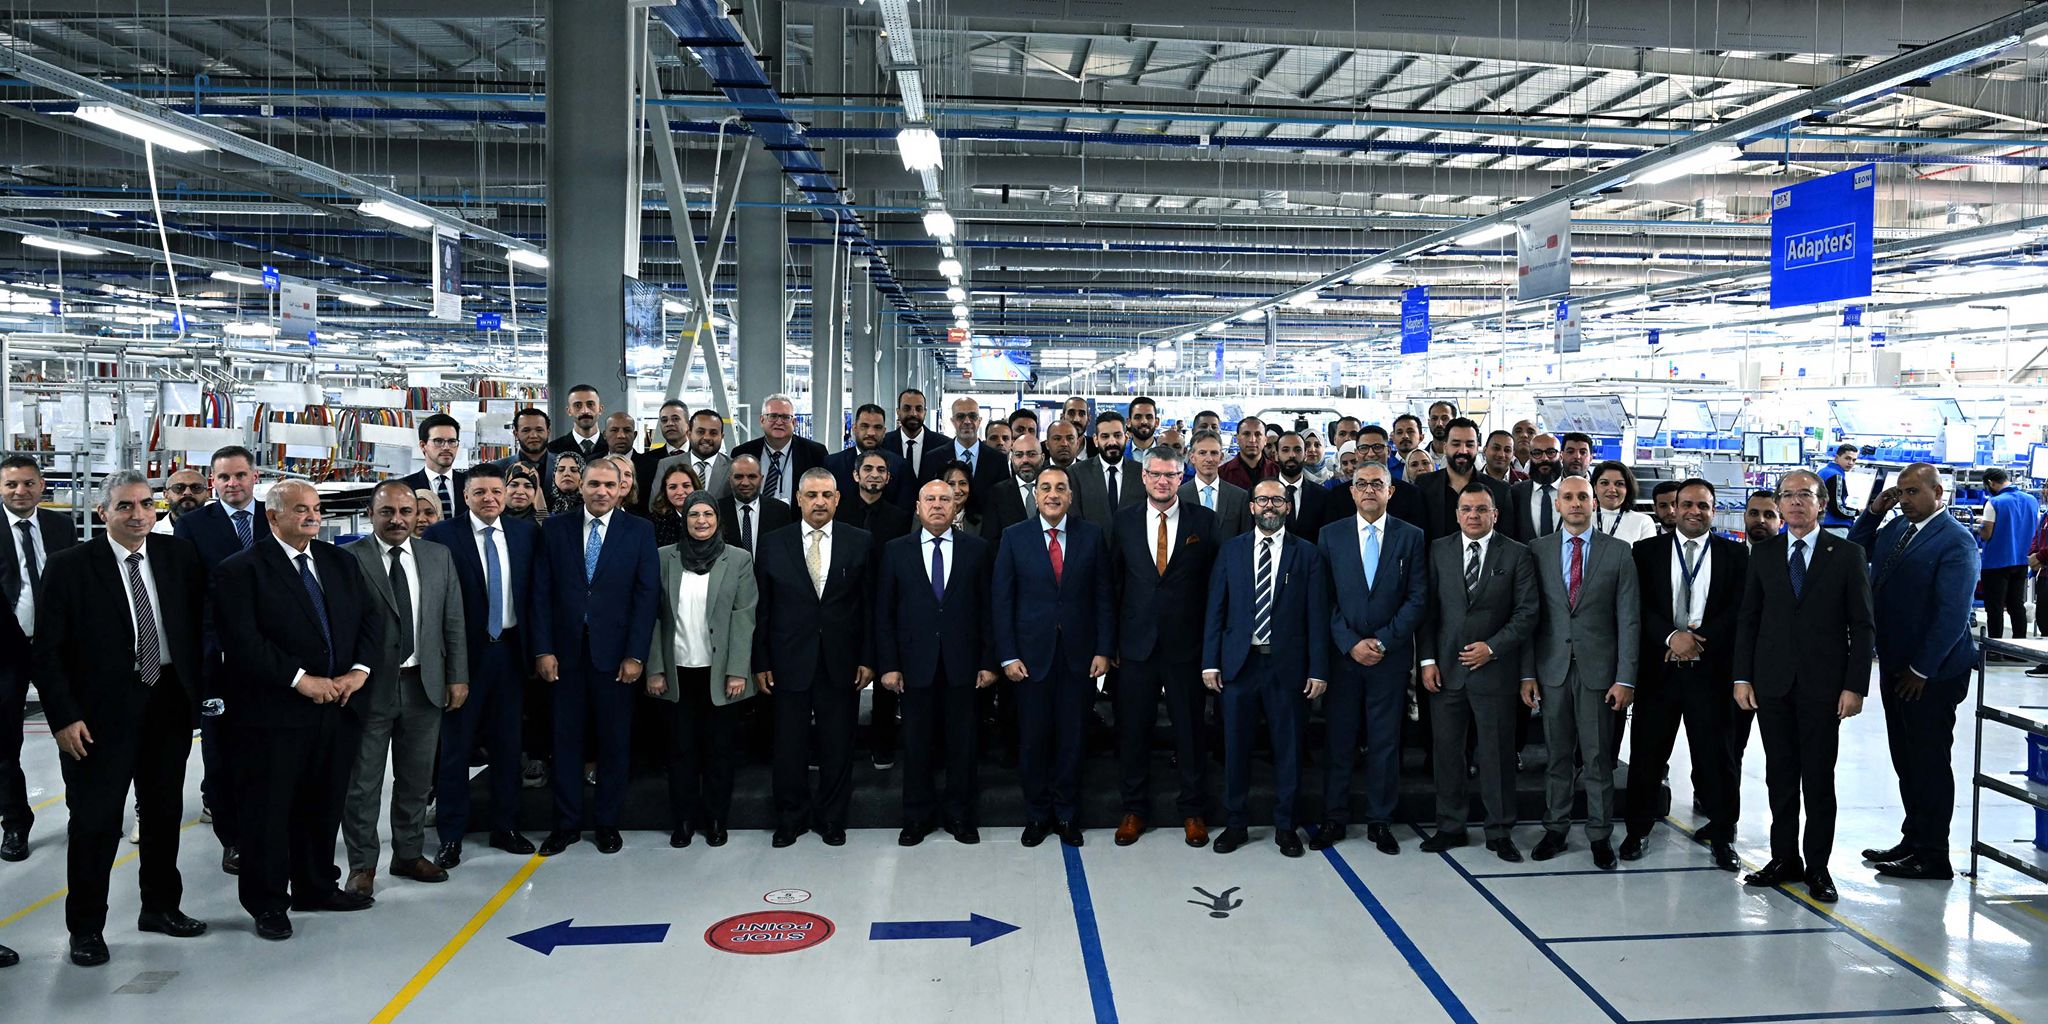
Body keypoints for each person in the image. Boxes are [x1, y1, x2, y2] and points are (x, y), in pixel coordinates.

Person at [32, 471, 207, 966]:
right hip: (97, 714)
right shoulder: (70, 566)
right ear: (102, 512)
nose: (138, 514)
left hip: (167, 701)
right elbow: (47, 652)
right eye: (125, 506)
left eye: (146, 504)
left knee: (163, 812)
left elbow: (198, 629)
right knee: (96, 822)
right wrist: (64, 718)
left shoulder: (178, 556)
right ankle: (86, 928)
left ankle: (161, 907)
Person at [216, 480, 382, 940]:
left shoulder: (339, 562)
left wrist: (359, 672)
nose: (312, 516)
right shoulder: (241, 570)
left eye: (315, 508)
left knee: (322, 803)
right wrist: (300, 680)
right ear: (273, 516)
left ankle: (316, 885)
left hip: (337, 706)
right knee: (268, 812)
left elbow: (369, 620)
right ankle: (268, 902)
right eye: (300, 509)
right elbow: (243, 641)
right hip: (274, 714)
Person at [1732, 468, 1873, 904]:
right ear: (1779, 503)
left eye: (1805, 495)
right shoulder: (1764, 553)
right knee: (1779, 777)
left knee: (1817, 779)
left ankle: (1818, 866)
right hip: (1772, 684)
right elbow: (1749, 619)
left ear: (1821, 504)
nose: (1795, 502)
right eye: (1788, 495)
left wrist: (1855, 686)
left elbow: (1862, 626)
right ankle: (1783, 859)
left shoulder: (1846, 554)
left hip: (1823, 688)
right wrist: (1742, 676)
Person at [1849, 464, 1978, 881]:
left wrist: (1922, 669)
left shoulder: (1955, 541)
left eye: (1913, 492)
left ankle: (1934, 854)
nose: (1904, 500)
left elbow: (1952, 615)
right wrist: (1874, 512)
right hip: (1896, 663)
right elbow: (1855, 551)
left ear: (1938, 492)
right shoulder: (1898, 528)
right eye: (1900, 492)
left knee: (1928, 761)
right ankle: (1914, 839)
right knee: (1905, 758)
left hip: (1932, 673)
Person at [341, 481, 466, 895]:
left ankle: (408, 854)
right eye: (387, 512)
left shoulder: (437, 556)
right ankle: (362, 865)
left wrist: (457, 676)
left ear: (417, 515)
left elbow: (452, 620)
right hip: (368, 689)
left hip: (424, 685)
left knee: (416, 779)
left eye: (406, 512)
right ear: (370, 514)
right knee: (363, 784)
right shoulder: (349, 558)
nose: (397, 520)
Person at [531, 457, 659, 857]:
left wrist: (636, 654)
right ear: (581, 487)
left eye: (609, 484)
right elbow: (540, 592)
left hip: (616, 657)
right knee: (565, 741)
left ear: (621, 488)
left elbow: (646, 597)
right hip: (564, 655)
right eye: (594, 484)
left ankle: (607, 823)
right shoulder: (555, 529)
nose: (601, 491)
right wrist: (543, 648)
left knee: (614, 742)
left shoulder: (639, 531)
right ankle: (566, 825)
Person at [1623, 479, 1746, 871]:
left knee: (1717, 758)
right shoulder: (1646, 552)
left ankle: (1723, 836)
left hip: (1711, 672)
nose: (1695, 511)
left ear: (1714, 510)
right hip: (1659, 671)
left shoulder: (1734, 554)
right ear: (1673, 508)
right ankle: (1637, 830)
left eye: (1704, 505)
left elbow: (1738, 609)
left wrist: (1696, 641)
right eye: (1688, 504)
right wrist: (1671, 637)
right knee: (1647, 754)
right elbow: (1638, 605)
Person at [1202, 479, 1328, 856]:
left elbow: (1317, 616)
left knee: (1288, 750)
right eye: (1262, 500)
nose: (1269, 506)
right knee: (1235, 747)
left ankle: (1286, 825)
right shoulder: (1231, 550)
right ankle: (1235, 823)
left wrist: (1318, 669)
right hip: (1239, 666)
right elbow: (1216, 609)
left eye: (1276, 499)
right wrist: (1210, 661)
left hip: (1287, 667)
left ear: (1287, 506)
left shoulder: (1307, 554)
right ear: (1252, 507)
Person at [421, 464, 538, 867]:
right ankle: (451, 835)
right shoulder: (442, 536)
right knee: (456, 749)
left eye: (496, 491)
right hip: (463, 656)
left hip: (510, 653)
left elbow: (534, 595)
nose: (489, 499)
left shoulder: (525, 534)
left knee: (508, 746)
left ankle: (505, 827)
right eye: (480, 492)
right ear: (466, 496)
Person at [1522, 476, 1640, 870]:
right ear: (1557, 504)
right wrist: (1527, 674)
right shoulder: (1537, 550)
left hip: (1599, 674)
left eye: (1583, 497)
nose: (1576, 503)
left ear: (1594, 503)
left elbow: (1629, 620)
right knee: (1557, 756)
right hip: (1552, 670)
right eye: (1568, 497)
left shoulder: (1618, 552)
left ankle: (1599, 834)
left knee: (1597, 759)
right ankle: (1555, 828)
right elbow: (1529, 618)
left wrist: (1625, 678)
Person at [753, 468, 876, 847]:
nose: (819, 502)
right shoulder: (773, 543)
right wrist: (761, 662)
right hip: (787, 660)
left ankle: (832, 819)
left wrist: (868, 658)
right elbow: (762, 608)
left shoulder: (861, 541)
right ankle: (790, 819)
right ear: (798, 499)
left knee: (838, 745)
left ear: (838, 499)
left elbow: (869, 607)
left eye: (826, 495)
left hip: (842, 660)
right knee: (788, 745)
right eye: (811, 495)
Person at [1418, 483, 1539, 861]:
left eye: (1481, 509)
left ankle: (1499, 830)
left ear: (1495, 515)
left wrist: (1492, 647)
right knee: (1447, 753)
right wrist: (1427, 661)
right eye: (1467, 509)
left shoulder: (1517, 554)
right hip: (1446, 672)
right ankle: (1449, 826)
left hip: (1495, 671)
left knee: (1497, 755)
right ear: (1457, 515)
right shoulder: (1438, 550)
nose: (1473, 515)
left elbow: (1527, 613)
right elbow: (1428, 611)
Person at [993, 465, 1113, 847]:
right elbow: (1002, 600)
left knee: (1072, 739)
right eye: (1045, 487)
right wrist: (1008, 655)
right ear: (1036, 495)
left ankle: (1066, 814)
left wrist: (1104, 649)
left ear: (1070, 496)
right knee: (1033, 740)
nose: (1053, 494)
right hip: (1030, 659)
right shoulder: (1014, 537)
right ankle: (1037, 814)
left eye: (1060, 487)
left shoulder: (1092, 535)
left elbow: (1104, 597)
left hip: (1080, 656)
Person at [1315, 461, 1427, 854]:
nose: (1368, 490)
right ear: (1351, 491)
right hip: (1343, 658)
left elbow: (1417, 598)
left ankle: (1381, 820)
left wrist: (1382, 642)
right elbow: (1323, 598)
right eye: (1360, 484)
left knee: (1385, 742)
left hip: (1388, 659)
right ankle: (1334, 817)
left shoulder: (1411, 536)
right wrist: (1350, 643)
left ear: (1390, 491)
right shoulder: (1330, 535)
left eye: (1376, 484)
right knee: (1339, 740)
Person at [1109, 451, 1219, 847]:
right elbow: (1113, 584)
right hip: (1134, 645)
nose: (1162, 481)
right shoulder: (1123, 520)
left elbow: (1213, 587)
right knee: (1132, 731)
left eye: (1170, 475)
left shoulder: (1203, 521)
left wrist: (1210, 648)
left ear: (1181, 477)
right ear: (1143, 476)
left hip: (1186, 646)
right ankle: (1134, 809)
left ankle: (1192, 810)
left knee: (1189, 732)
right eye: (1155, 474)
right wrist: (1110, 643)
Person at [877, 480, 996, 845]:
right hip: (915, 665)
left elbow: (988, 610)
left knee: (963, 745)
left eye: (946, 499)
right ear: (918, 507)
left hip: (964, 664)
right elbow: (885, 613)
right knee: (916, 746)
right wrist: (889, 664)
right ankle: (917, 818)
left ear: (956, 506)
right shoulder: (896, 550)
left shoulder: (977, 550)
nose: (938, 505)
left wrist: (988, 661)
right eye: (930, 499)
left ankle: (961, 817)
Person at [643, 491, 757, 849]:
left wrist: (738, 670)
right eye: (694, 515)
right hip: (677, 672)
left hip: (720, 675)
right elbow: (653, 617)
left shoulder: (738, 559)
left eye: (708, 514)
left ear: (718, 519)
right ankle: (683, 821)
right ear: (685, 519)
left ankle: (717, 820)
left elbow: (744, 617)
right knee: (680, 752)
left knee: (719, 752)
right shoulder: (663, 557)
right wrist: (655, 668)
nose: (701, 521)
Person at [174, 444, 265, 875]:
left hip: (276, 655)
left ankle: (275, 830)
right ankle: (234, 839)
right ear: (213, 481)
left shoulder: (277, 515)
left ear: (255, 477)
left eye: (240, 475)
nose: (233, 483)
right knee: (222, 751)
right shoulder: (193, 526)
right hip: (218, 659)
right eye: (224, 477)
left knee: (274, 749)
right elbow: (186, 595)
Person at [0, 454, 79, 863]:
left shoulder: (60, 526)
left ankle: (82, 815)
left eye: (28, 483)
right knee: (3, 742)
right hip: (5, 649)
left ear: (42, 485)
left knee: (76, 732)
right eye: (11, 484)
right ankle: (14, 823)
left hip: (58, 646)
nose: (20, 491)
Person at [1415, 418, 1511, 545]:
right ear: (1445, 447)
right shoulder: (1424, 485)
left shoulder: (1499, 490)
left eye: (1469, 445)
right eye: (1456, 444)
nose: (1463, 450)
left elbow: (1505, 541)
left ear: (1477, 448)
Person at [733, 394, 828, 506]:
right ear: (762, 420)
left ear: (794, 422)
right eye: (773, 416)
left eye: (785, 417)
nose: (779, 422)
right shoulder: (742, 453)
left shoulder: (815, 453)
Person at [1974, 467, 2034, 641]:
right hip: (2022, 560)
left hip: (1996, 562)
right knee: (2016, 604)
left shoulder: (1994, 502)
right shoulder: (2031, 500)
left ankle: (1995, 647)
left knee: (1995, 607)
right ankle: (2020, 645)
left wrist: (1979, 526)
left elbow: (1987, 533)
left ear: (1990, 483)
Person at [825, 404, 911, 509]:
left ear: (884, 432)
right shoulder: (832, 464)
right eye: (864, 426)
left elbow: (904, 510)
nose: (871, 433)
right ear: (854, 428)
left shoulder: (900, 466)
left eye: (877, 427)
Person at [1073, 410, 1142, 527]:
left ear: (1126, 438)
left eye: (1117, 435)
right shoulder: (1076, 473)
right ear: (1095, 440)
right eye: (1105, 436)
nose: (1112, 442)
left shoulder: (1141, 473)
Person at [1179, 429, 1250, 538]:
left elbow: (1245, 538)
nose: (1209, 459)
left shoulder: (1240, 497)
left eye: (1214, 453)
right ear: (1192, 457)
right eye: (1202, 453)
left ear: (1221, 457)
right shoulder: (1178, 495)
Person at [944, 397, 1009, 514]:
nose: (967, 421)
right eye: (960, 416)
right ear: (952, 421)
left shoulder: (998, 460)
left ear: (979, 420)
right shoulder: (933, 458)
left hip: (988, 523)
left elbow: (1003, 501)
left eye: (972, 416)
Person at [981, 432, 1047, 547]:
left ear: (1042, 458)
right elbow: (991, 541)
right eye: (1019, 455)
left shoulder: (1054, 489)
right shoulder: (997, 493)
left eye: (1031, 454)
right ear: (1011, 458)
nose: (1025, 460)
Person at [719, 454, 793, 554]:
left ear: (761, 479)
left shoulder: (780, 510)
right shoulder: (717, 510)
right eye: (738, 477)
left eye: (752, 477)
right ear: (730, 479)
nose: (745, 483)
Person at [655, 409, 733, 502]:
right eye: (700, 432)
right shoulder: (666, 465)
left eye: (713, 433)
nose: (707, 437)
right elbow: (656, 504)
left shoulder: (733, 468)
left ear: (722, 437)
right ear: (689, 434)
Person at [400, 413, 465, 522]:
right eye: (438, 441)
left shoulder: (470, 484)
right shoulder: (404, 488)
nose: (446, 447)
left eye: (452, 441)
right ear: (423, 445)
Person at [1506, 431, 1565, 542]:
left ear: (1561, 456)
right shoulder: (1516, 493)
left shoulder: (1574, 491)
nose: (1544, 458)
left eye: (1551, 452)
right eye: (1537, 453)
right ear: (1530, 457)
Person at [634, 400, 690, 511]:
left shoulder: (700, 457)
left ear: (688, 423)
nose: (669, 424)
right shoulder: (645, 461)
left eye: (675, 419)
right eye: (664, 420)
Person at [1271, 432, 1327, 539]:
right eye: (1285, 450)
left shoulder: (1322, 496)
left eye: (1298, 450)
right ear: (1276, 455)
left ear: (1305, 454)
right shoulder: (1260, 493)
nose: (1292, 455)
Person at [500, 407, 559, 509]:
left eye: (539, 430)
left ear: (548, 432)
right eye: (526, 430)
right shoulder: (498, 469)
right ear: (516, 434)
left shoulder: (566, 467)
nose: (533, 435)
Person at [884, 387, 943, 485]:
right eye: (907, 408)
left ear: (925, 412)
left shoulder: (943, 445)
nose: (913, 413)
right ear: (898, 412)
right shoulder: (884, 444)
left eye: (919, 409)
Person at [1590, 460, 1658, 544]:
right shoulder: (1583, 520)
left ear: (1628, 489)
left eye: (1619, 484)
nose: (1612, 489)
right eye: (1604, 483)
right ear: (1595, 488)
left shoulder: (1643, 522)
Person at [546, 384, 606, 460]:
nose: (585, 411)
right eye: (577, 405)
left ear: (600, 409)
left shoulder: (611, 447)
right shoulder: (552, 450)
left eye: (590, 404)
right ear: (569, 411)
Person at [650, 463, 703, 549]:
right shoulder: (654, 522)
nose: (680, 492)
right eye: (673, 487)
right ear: (665, 491)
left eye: (686, 486)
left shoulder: (710, 517)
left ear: (695, 487)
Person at [1218, 416, 1275, 489]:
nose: (1252, 440)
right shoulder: (1221, 474)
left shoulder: (1277, 472)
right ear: (1237, 439)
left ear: (1265, 440)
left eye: (1258, 434)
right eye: (1246, 434)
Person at [152, 468, 209, 535]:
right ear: (166, 495)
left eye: (196, 488)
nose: (187, 492)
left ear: (207, 495)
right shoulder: (149, 533)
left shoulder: (219, 531)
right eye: (179, 487)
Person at [1818, 443, 1860, 531]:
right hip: (1833, 525)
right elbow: (1838, 509)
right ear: (1836, 458)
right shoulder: (1836, 476)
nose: (1850, 463)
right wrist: (1858, 512)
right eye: (1847, 458)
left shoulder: (1824, 471)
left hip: (1821, 522)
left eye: (1854, 460)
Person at [940, 461, 982, 535]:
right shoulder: (924, 518)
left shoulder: (981, 522)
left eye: (962, 483)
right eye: (951, 484)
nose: (957, 490)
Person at [549, 451, 585, 518]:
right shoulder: (548, 501)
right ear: (554, 475)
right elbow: (543, 523)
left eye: (574, 470)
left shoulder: (588, 504)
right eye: (561, 470)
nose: (566, 474)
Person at [1389, 414, 1425, 481]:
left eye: (1410, 432)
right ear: (1393, 438)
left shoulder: (1431, 466)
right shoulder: (1384, 467)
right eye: (1399, 432)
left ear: (1421, 437)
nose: (1405, 436)